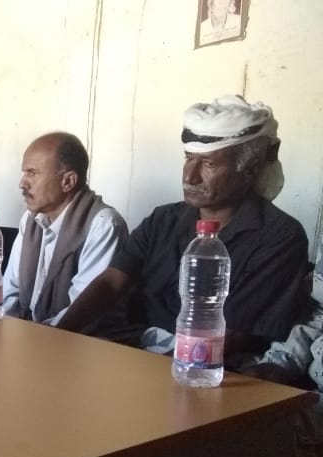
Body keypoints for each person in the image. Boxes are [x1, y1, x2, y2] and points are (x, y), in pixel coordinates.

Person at [57, 94, 310, 366]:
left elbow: (233, 335)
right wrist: (60, 336)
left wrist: (157, 372)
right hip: (138, 348)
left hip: (209, 363)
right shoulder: (164, 219)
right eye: (189, 158)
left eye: (209, 163)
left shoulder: (280, 236)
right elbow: (111, 282)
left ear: (249, 169)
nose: (190, 176)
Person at [2, 132, 128, 327]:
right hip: (29, 333)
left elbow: (81, 311)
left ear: (68, 181)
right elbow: (10, 290)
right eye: (24, 172)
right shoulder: (30, 219)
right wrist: (3, 329)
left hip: (80, 339)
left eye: (32, 173)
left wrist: (33, 338)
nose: (22, 183)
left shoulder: (104, 225)